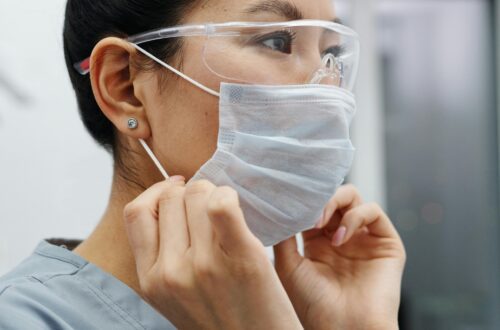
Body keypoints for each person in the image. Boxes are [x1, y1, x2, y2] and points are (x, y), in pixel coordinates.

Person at [0, 0, 406, 329]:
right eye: (277, 41)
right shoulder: (25, 319)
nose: (325, 87)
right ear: (125, 85)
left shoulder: (298, 303)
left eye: (331, 53)